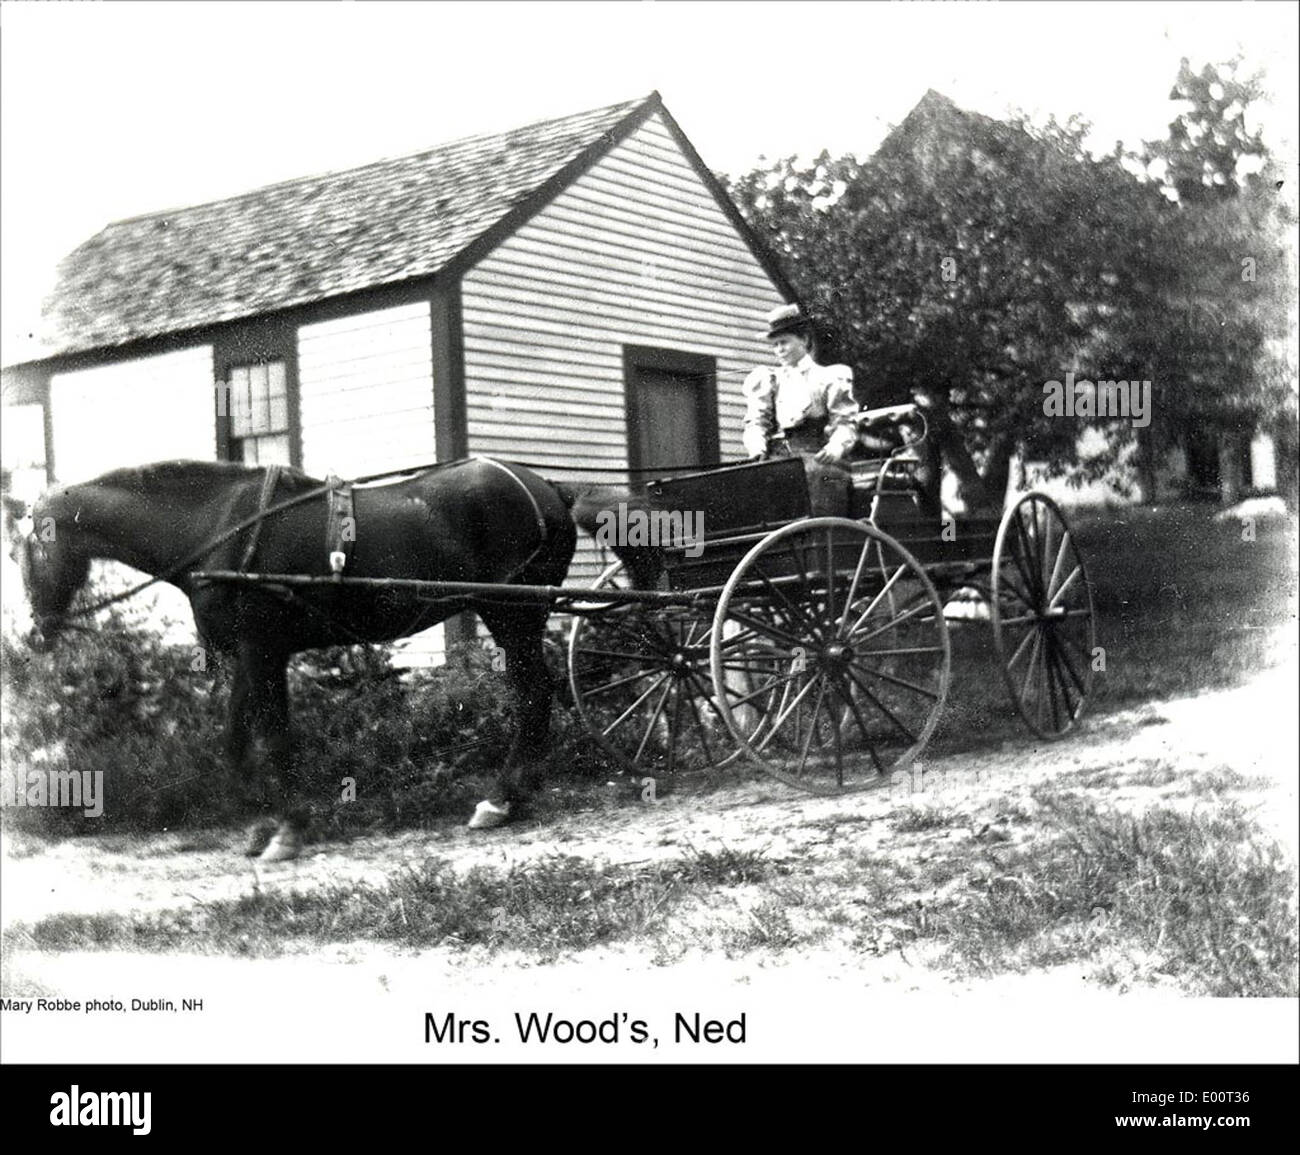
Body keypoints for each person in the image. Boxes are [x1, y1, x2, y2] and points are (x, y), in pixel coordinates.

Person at [742, 303, 861, 515]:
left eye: (785, 342)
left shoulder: (829, 378)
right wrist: (757, 447)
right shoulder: (769, 380)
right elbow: (757, 421)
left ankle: (820, 542)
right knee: (748, 483)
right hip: (778, 458)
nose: (779, 349)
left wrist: (836, 446)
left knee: (814, 478)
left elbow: (845, 423)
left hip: (818, 457)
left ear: (804, 340)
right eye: (775, 344)